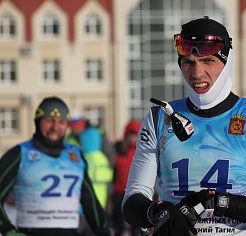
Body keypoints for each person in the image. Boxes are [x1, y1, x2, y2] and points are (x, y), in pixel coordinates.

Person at [121, 16, 246, 236]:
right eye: (188, 62)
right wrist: (158, 211)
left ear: (226, 62)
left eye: (208, 61)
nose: (196, 74)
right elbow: (131, 202)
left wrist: (217, 201)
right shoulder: (160, 118)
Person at [0, 96, 110, 236]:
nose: (55, 127)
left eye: (61, 122)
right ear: (38, 121)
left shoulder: (75, 154)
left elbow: (90, 201)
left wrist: (104, 230)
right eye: (49, 120)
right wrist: (7, 230)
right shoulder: (20, 154)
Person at [77, 126, 114, 236]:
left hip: (81, 208)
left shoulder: (84, 158)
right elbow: (109, 181)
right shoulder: (103, 158)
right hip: (99, 207)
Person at [111, 120, 142, 236]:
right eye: (130, 134)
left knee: (136, 222)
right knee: (117, 221)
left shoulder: (143, 151)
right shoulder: (119, 149)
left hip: (136, 191)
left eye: (135, 135)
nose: (132, 138)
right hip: (119, 190)